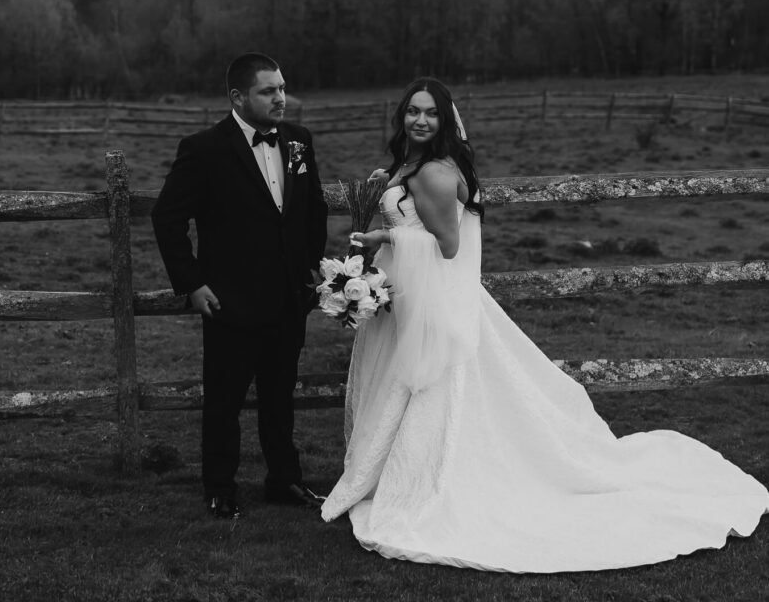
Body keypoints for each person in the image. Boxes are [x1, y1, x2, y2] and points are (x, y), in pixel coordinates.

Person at [321, 77, 769, 572]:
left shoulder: (435, 173)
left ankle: (436, 480)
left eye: (431, 113)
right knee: (405, 389)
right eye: (413, 111)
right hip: (408, 297)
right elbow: (415, 219)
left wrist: (385, 235)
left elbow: (447, 246)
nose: (420, 120)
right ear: (401, 115)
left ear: (445, 120)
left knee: (436, 392)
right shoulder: (409, 166)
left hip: (431, 303)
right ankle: (394, 473)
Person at [152, 53, 328, 519]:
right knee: (224, 400)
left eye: (282, 88)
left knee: (280, 397)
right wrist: (192, 283)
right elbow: (167, 217)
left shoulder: (299, 141)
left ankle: (284, 481)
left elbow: (312, 208)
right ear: (237, 97)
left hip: (288, 298)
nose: (280, 98)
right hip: (229, 301)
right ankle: (219, 487)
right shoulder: (203, 149)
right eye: (268, 91)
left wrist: (311, 270)